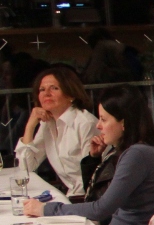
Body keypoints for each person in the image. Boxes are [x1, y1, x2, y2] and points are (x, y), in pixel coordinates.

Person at [24, 85, 154, 225]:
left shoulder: (137, 155)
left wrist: (46, 209)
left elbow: (100, 209)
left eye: (103, 119)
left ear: (123, 123)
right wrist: (94, 158)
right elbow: (95, 197)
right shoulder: (128, 151)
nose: (98, 125)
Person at [15, 66, 98, 197]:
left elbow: (93, 175)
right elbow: (26, 168)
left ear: (71, 94)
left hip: (89, 197)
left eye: (54, 88)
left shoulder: (85, 123)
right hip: (71, 195)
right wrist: (30, 126)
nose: (46, 93)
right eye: (42, 89)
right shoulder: (47, 123)